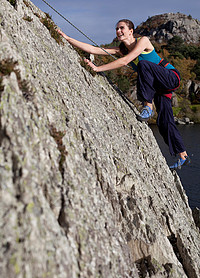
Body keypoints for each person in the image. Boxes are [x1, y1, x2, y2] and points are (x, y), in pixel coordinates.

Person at [57, 19, 190, 170]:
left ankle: (147, 106)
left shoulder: (143, 41)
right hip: (159, 87)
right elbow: (94, 49)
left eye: (122, 28)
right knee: (164, 122)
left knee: (143, 65)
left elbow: (125, 61)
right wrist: (67, 38)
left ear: (131, 31)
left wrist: (98, 69)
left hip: (170, 76)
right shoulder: (121, 49)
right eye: (117, 29)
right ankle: (182, 155)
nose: (118, 31)